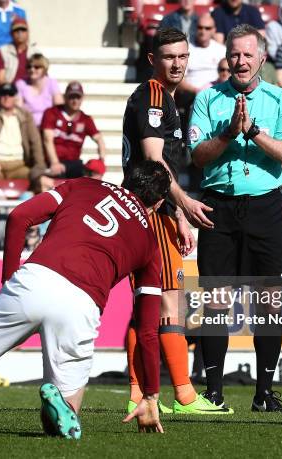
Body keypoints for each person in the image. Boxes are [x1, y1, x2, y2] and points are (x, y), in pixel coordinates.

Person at [0, 160, 170, 438]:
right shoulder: (151, 247)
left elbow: (19, 216)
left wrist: (8, 280)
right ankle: (59, 403)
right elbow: (148, 331)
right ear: (159, 203)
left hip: (36, 278)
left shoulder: (83, 185)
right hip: (83, 304)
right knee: (66, 415)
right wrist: (150, 395)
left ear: (126, 180)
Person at [189, 24, 282, 412]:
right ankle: (214, 392)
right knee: (216, 301)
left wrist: (251, 131)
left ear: (262, 59)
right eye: (235, 54)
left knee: (268, 302)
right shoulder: (206, 99)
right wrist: (227, 134)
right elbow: (198, 157)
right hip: (218, 208)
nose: (240, 61)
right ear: (227, 57)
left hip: (266, 207)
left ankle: (264, 393)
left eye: (247, 54)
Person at [122, 27, 216, 415]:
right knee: (168, 300)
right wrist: (182, 206)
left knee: (146, 302)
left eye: (182, 56)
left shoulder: (165, 98)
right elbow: (154, 160)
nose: (176, 63)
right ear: (152, 60)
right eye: (168, 57)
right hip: (151, 207)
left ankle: (135, 391)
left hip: (149, 206)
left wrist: (174, 210)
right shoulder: (155, 96)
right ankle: (184, 394)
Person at [0, 83, 45, 179]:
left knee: (40, 180)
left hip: (19, 165)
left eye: (10, 94)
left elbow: (35, 141)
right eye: (3, 94)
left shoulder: (25, 115)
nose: (7, 97)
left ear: (15, 97)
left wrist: (39, 166)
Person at [41, 81, 106, 179]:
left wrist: (101, 161)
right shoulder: (52, 113)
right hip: (51, 161)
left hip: (73, 163)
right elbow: (47, 140)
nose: (75, 101)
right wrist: (55, 162)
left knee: (91, 173)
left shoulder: (85, 119)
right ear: (65, 97)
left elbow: (99, 139)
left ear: (82, 98)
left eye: (78, 97)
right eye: (72, 97)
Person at [16, 53, 64, 127]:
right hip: (28, 125)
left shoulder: (51, 83)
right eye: (29, 67)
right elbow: (18, 109)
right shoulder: (21, 84)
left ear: (44, 69)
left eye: (36, 67)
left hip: (48, 125)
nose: (32, 69)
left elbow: (59, 107)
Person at [0, 16, 38, 85]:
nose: (20, 33)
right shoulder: (2, 51)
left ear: (28, 33)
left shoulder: (35, 52)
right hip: (10, 90)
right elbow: (0, 79)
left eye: (23, 30)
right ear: (11, 34)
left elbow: (42, 76)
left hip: (31, 90)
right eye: (16, 30)